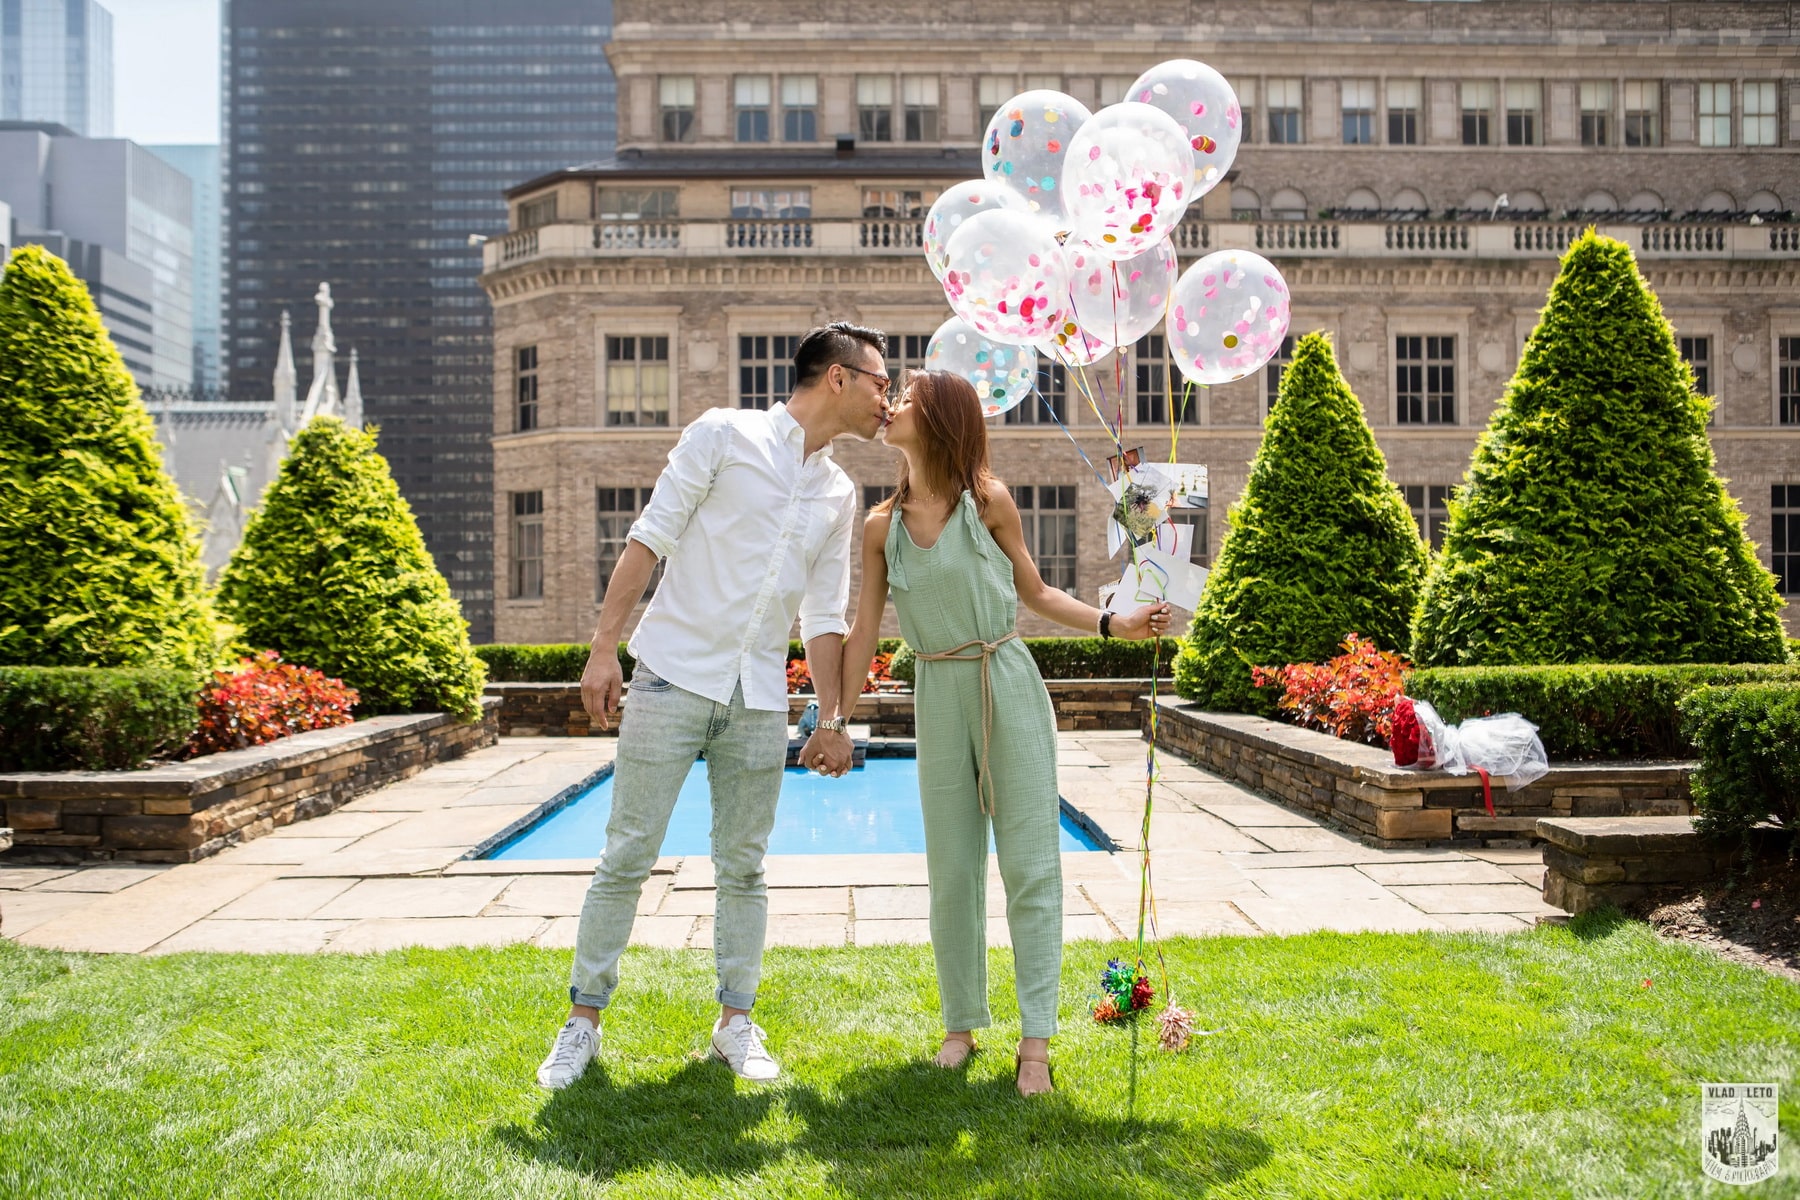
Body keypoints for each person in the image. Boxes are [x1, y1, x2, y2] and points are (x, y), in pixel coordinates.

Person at [535, 323, 891, 1088]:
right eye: (880, 383)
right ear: (837, 377)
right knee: (627, 854)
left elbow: (825, 616)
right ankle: (582, 1023)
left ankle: (735, 1022)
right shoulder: (722, 435)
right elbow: (648, 539)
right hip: (670, 676)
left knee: (745, 866)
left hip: (758, 697)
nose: (886, 400)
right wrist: (605, 647)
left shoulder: (837, 491)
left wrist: (832, 721)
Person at [833, 370, 1170, 1097]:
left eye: (909, 401)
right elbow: (864, 633)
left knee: (1029, 866)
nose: (891, 406)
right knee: (952, 871)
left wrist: (1118, 623)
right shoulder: (879, 527)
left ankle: (1035, 1043)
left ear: (942, 421)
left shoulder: (987, 502)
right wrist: (835, 719)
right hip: (938, 693)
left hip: (1006, 684)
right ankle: (960, 1028)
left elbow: (1037, 593)